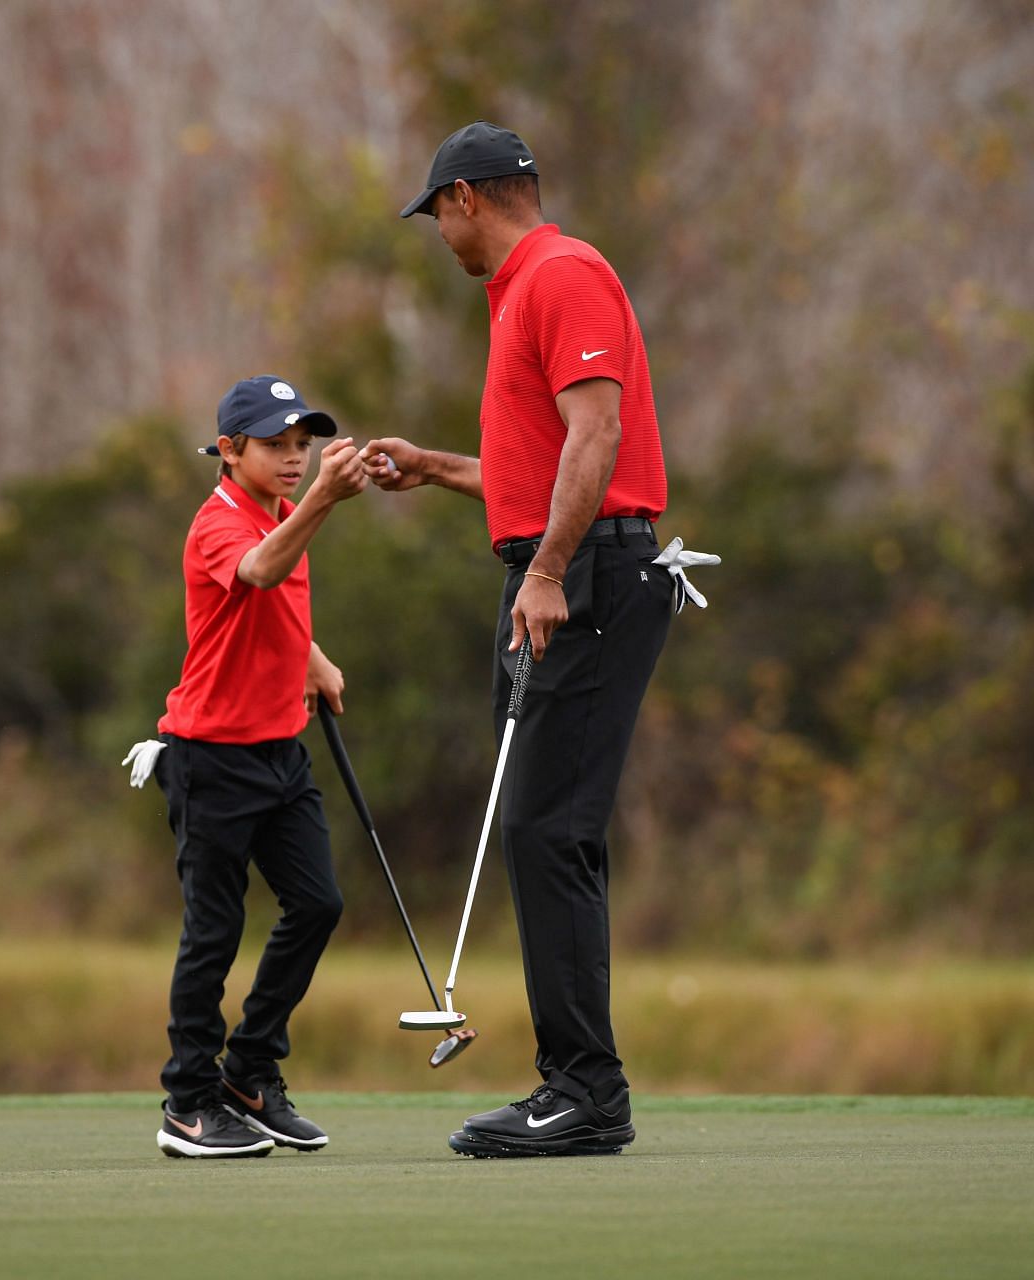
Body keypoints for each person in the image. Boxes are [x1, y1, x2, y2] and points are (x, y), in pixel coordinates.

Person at [367, 121, 713, 1158]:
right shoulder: (517, 292)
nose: (438, 234)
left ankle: (583, 1087)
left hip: (588, 574)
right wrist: (435, 467)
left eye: (437, 214)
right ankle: (582, 1081)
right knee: (549, 828)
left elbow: (599, 437)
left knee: (545, 826)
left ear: (467, 197)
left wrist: (552, 570)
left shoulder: (561, 274)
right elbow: (544, 463)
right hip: (559, 566)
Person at [123, 375, 368, 1158]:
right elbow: (258, 573)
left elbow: (277, 608)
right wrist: (328, 499)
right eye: (276, 446)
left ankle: (249, 1071)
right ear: (229, 451)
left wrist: (316, 659)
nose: (296, 460)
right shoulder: (219, 524)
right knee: (214, 933)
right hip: (211, 759)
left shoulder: (283, 513)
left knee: (319, 903)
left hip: (278, 750)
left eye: (304, 446)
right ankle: (188, 1104)